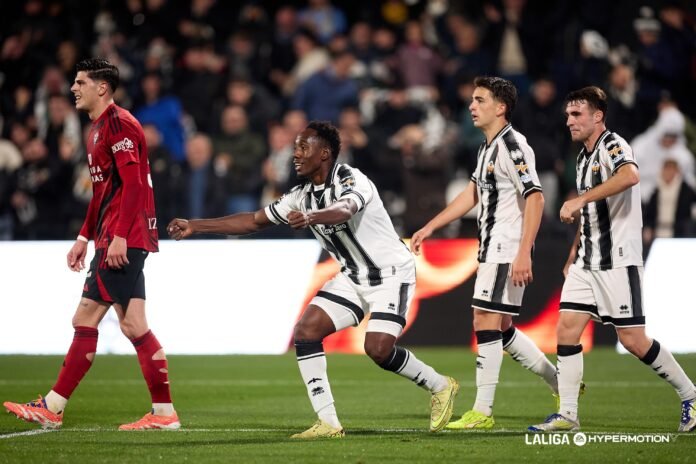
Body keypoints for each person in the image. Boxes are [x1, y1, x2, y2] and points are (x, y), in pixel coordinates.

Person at [167, 120, 459, 438]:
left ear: (324, 153)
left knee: (378, 348)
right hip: (352, 276)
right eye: (296, 147)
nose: (296, 154)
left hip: (391, 273)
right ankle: (328, 422)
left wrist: (311, 217)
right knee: (306, 331)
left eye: (303, 147)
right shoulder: (299, 196)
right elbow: (253, 221)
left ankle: (440, 385)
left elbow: (345, 209)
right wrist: (196, 225)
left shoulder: (351, 178)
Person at [3, 59, 179, 431]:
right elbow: (101, 193)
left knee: (84, 318)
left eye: (80, 82)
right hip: (115, 236)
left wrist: (118, 237)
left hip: (123, 239)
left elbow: (134, 186)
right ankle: (164, 414)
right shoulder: (96, 129)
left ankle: (53, 407)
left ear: (102, 87)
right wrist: (84, 237)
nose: (73, 88)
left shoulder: (119, 124)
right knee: (134, 325)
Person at [529, 86, 696, 433]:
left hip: (618, 259)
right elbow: (592, 211)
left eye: (577, 114)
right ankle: (568, 414)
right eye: (568, 115)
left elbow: (630, 175)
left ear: (598, 116)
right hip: (587, 261)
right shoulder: (582, 158)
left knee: (633, 341)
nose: (569, 121)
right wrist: (574, 251)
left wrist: (579, 200)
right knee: (567, 328)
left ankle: (690, 395)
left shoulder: (613, 144)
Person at [411, 76, 557, 430]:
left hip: (506, 248)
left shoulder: (513, 146)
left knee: (484, 321)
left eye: (480, 100)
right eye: (472, 100)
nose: (472, 106)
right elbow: (472, 194)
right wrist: (431, 226)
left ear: (501, 107)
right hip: (492, 247)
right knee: (501, 326)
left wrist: (524, 252)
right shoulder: (487, 147)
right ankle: (560, 382)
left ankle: (483, 411)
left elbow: (536, 197)